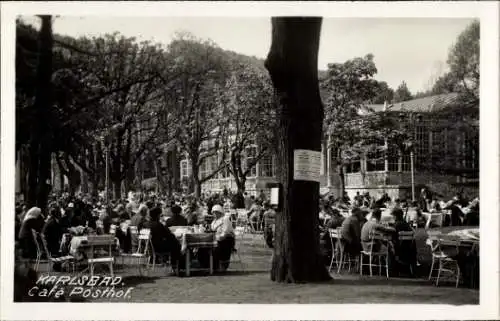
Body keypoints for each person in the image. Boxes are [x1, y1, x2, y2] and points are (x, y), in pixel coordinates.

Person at [199, 204, 235, 272]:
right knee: (202, 246)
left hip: (226, 240)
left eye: (216, 212)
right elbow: (212, 230)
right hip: (216, 239)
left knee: (214, 247)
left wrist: (217, 238)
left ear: (220, 212)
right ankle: (207, 266)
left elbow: (225, 232)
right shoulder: (214, 221)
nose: (215, 214)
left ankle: (217, 266)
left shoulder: (225, 219)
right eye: (214, 212)